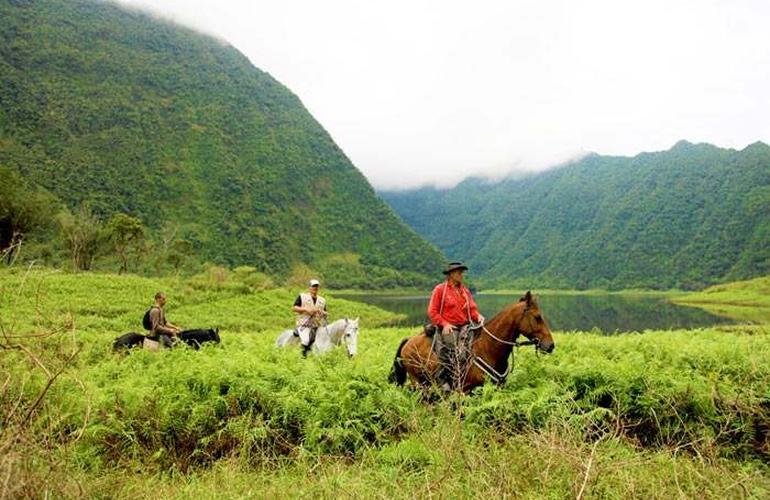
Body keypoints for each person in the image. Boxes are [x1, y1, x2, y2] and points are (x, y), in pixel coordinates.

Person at [427, 262, 483, 389]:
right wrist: (444, 324)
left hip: (465, 326)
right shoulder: (440, 290)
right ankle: (442, 380)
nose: (461, 275)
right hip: (449, 326)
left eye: (461, 272)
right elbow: (432, 311)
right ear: (451, 274)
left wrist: (478, 316)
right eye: (459, 272)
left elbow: (472, 309)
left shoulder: (464, 291)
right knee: (450, 349)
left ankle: (469, 376)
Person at [292, 279, 327, 357]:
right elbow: (294, 308)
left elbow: (325, 313)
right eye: (313, 286)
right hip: (304, 324)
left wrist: (322, 313)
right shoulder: (302, 296)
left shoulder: (322, 300)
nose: (315, 288)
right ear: (309, 287)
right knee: (305, 340)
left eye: (317, 286)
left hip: (317, 325)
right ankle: (302, 357)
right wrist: (306, 309)